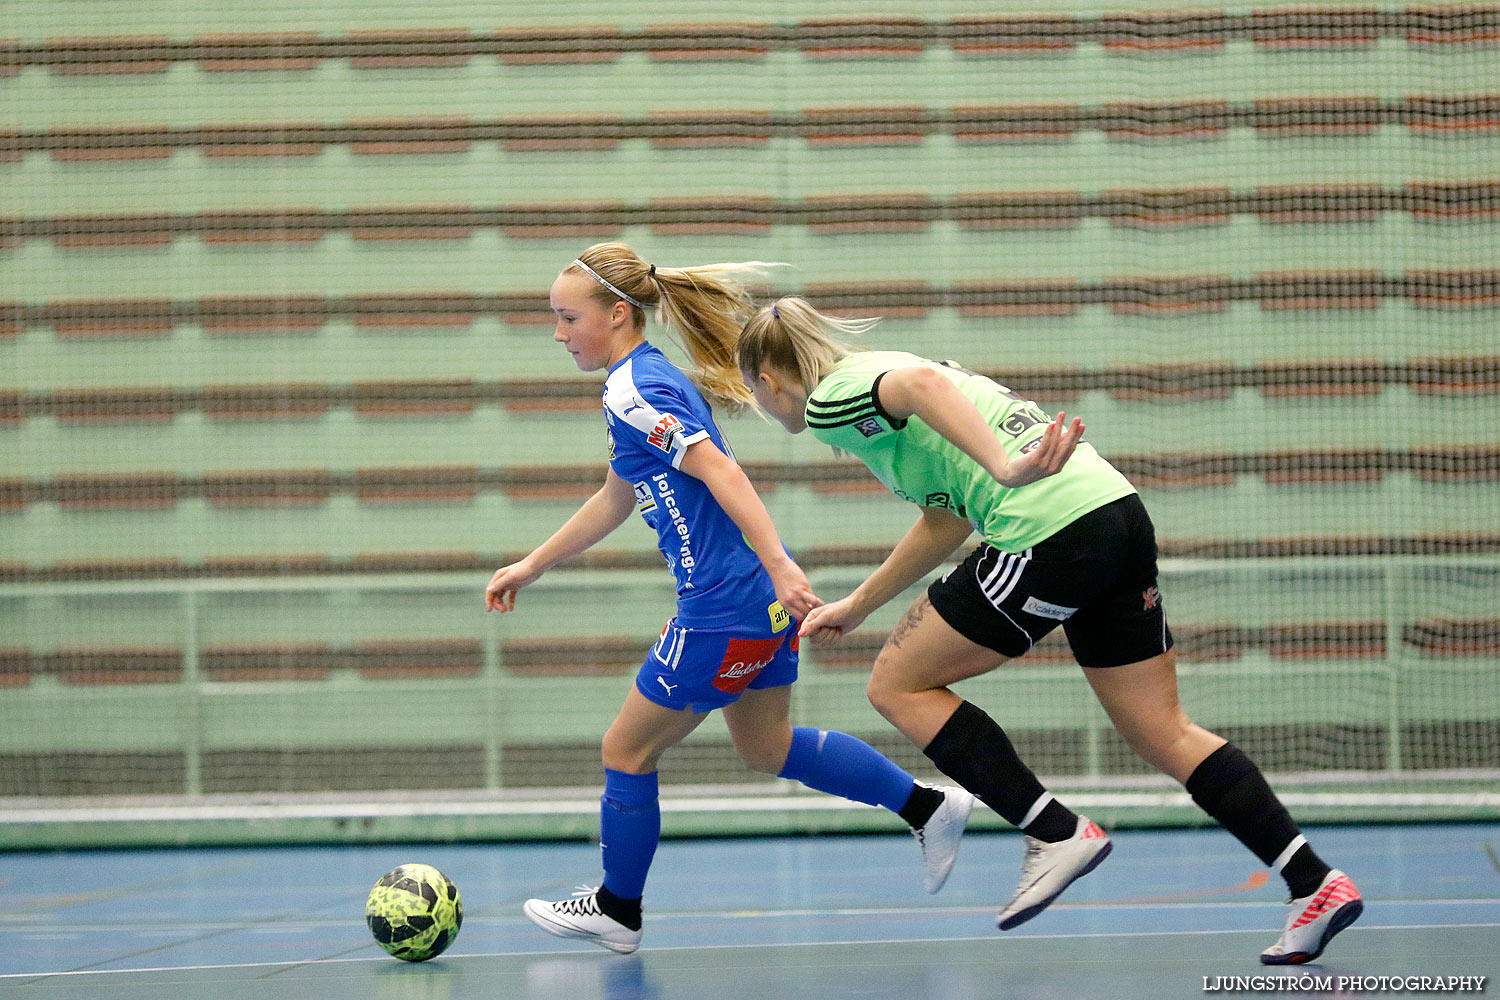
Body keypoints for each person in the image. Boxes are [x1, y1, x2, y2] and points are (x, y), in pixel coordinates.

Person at [731, 295, 1363, 965]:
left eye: (755, 400)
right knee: (1162, 730)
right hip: (1111, 511)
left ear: (769, 382)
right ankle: (1314, 882)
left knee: (897, 684)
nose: (766, 412)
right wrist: (859, 603)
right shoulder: (882, 378)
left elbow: (924, 389)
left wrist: (1005, 470)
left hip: (1046, 528)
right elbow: (947, 518)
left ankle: (1054, 831)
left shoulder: (834, 398)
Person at [484, 245, 975, 955]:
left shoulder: (636, 389)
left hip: (723, 606)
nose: (559, 333)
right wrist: (532, 563)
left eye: (567, 318)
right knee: (766, 745)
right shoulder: (642, 382)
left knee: (625, 749)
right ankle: (929, 807)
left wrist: (780, 564)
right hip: (753, 605)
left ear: (618, 314)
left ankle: (618, 909)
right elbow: (618, 495)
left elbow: (720, 471)